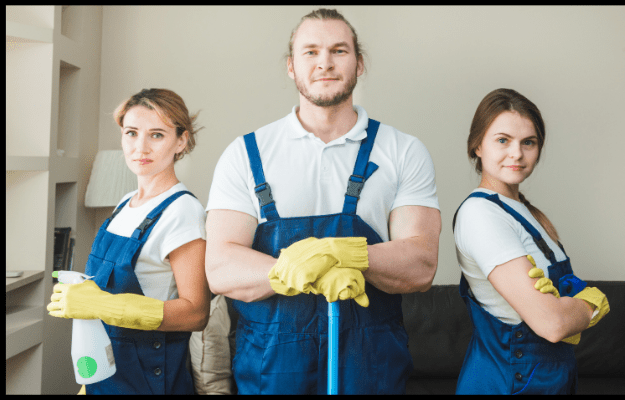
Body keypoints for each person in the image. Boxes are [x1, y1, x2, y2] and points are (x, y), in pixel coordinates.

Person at [205, 8, 441, 395]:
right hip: (270, 373)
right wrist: (291, 268)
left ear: (359, 63)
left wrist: (345, 255)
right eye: (310, 51)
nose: (325, 63)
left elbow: (421, 263)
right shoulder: (246, 154)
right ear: (291, 66)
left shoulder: (403, 151)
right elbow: (220, 267)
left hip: (372, 372)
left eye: (339, 50)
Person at [47, 88, 210, 394]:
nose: (140, 147)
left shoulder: (183, 211)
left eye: (157, 135)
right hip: (104, 375)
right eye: (132, 133)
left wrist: (104, 305)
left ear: (181, 140)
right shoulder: (126, 203)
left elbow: (196, 312)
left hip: (149, 381)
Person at [452, 88, 610, 394]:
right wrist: (590, 304)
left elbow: (562, 300)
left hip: (546, 379)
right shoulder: (480, 214)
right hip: (509, 382)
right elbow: (552, 324)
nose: (517, 154)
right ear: (477, 146)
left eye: (529, 142)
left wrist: (569, 305)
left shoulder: (522, 211)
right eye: (503, 140)